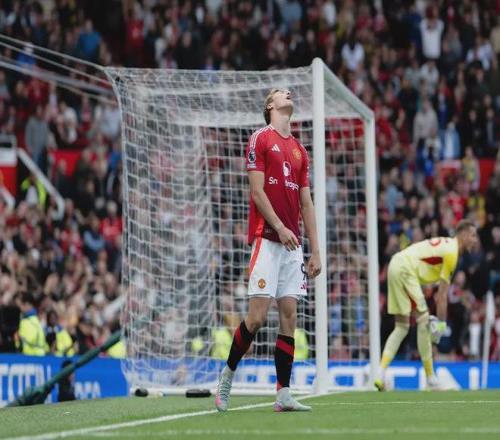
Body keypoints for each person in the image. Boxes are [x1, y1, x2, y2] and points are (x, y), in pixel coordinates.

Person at [215, 88, 321, 412]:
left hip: (292, 246)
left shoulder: (300, 150)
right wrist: (280, 227)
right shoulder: (260, 138)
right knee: (257, 318)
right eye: (280, 92)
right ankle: (227, 374)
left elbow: (306, 203)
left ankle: (283, 393)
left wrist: (316, 250)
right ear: (270, 105)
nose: (287, 93)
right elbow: (257, 193)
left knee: (289, 316)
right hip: (267, 239)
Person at [375, 219, 478, 391]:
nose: (475, 240)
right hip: (405, 269)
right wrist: (441, 325)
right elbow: (442, 296)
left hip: (395, 265)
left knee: (401, 327)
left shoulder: (446, 246)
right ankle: (431, 378)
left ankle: (379, 374)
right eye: (473, 235)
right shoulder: (452, 253)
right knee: (423, 320)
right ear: (463, 234)